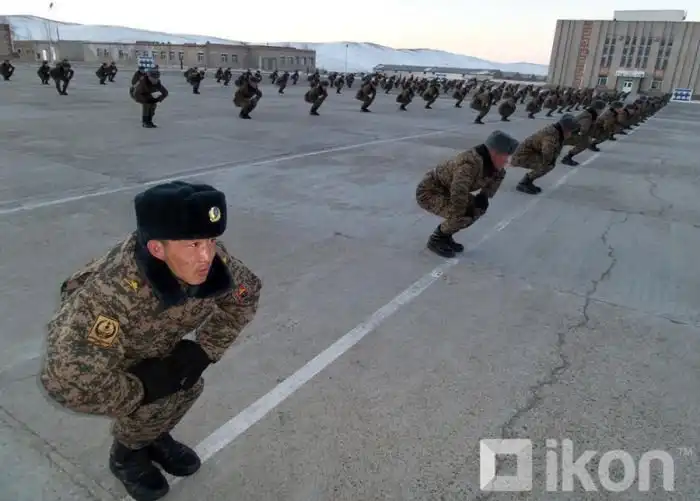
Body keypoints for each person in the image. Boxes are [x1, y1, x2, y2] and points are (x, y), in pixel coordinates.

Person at [39, 181, 262, 501]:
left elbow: (246, 294)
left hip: (157, 343)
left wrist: (204, 349)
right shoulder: (111, 292)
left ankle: (153, 435)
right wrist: (141, 390)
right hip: (112, 356)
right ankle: (127, 454)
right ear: (157, 249)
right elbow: (66, 378)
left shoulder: (212, 263)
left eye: (211, 240)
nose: (207, 256)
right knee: (160, 400)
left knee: (186, 386)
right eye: (194, 244)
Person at [416, 130, 519, 257]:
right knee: (463, 213)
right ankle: (436, 239)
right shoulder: (469, 164)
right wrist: (462, 214)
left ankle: (446, 235)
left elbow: (498, 177)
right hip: (429, 191)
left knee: (476, 209)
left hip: (448, 190)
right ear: (494, 152)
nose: (507, 160)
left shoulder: (494, 165)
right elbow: (458, 191)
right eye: (505, 156)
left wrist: (484, 196)